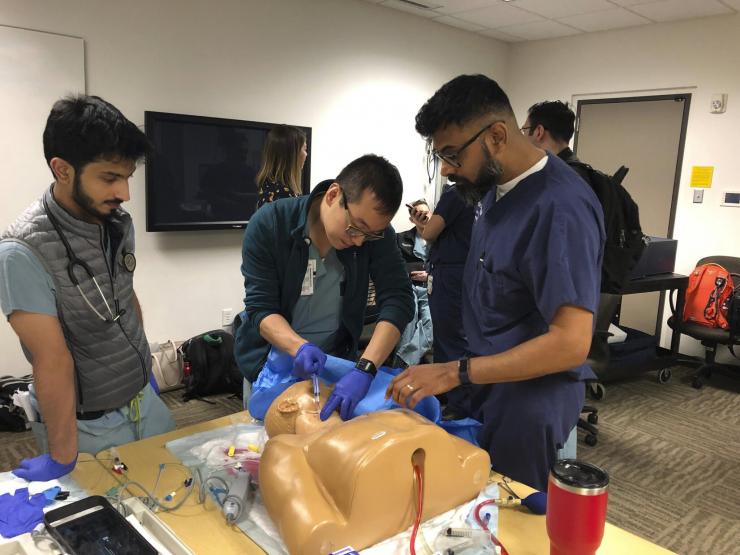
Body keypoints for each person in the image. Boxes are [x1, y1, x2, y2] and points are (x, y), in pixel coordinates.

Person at [387, 75, 605, 490]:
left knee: (519, 525)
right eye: (441, 158)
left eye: (452, 155)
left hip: (528, 401)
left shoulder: (561, 208)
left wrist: (457, 372)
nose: (448, 170)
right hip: (486, 385)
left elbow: (571, 343)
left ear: (498, 135)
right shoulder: (491, 190)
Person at [0, 95, 175, 482]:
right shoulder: (22, 252)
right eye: (110, 178)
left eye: (127, 177)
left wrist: (145, 371)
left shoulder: (114, 221)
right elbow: (52, 360)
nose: (124, 193)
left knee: (179, 503)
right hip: (90, 426)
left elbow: (125, 297)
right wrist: (63, 455)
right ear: (62, 169)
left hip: (143, 402)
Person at [234, 154, 414, 422]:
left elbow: (399, 299)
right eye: (356, 227)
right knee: (272, 447)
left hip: (336, 365)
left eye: (370, 234)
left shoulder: (375, 235)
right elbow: (261, 308)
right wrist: (299, 347)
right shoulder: (271, 224)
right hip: (272, 363)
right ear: (333, 195)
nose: (359, 242)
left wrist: (365, 368)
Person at [408, 182, 474, 418]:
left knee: (449, 342)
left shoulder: (457, 193)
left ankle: (459, 406)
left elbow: (429, 233)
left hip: (449, 277)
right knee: (455, 339)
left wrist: (423, 224)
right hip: (464, 274)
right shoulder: (482, 195)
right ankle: (451, 395)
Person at [392, 199, 433, 368]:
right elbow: (393, 265)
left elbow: (448, 268)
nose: (423, 216)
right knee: (408, 317)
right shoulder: (400, 238)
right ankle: (401, 371)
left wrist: (429, 275)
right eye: (418, 213)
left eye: (426, 213)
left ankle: (403, 361)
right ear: (411, 219)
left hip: (431, 288)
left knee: (431, 322)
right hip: (408, 287)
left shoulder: (441, 239)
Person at [520, 100, 589, 181]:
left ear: (539, 132)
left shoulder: (556, 178)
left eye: (524, 130)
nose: (523, 136)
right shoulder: (576, 172)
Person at [256, 124, 308, 208]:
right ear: (292, 155)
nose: (306, 154)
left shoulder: (268, 186)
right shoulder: (284, 196)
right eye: (304, 149)